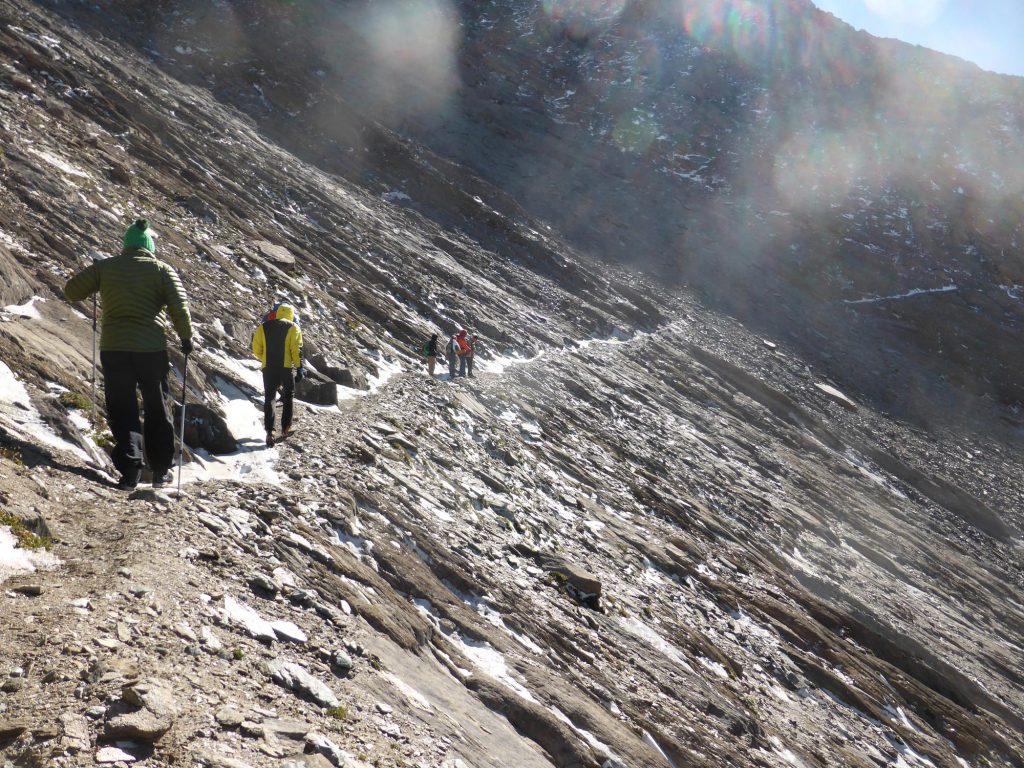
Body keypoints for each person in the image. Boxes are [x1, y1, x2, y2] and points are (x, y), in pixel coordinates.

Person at [64, 219, 194, 490]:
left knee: (123, 409)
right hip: (151, 350)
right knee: (158, 409)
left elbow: (71, 291)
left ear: (126, 245)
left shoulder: (106, 267)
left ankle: (130, 473)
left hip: (115, 349)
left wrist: (101, 280)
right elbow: (179, 307)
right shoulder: (161, 270)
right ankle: (160, 472)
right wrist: (186, 338)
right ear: (149, 247)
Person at [252, 302, 303, 447]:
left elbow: (256, 349)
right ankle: (286, 427)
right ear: (291, 315)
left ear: (277, 312)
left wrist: (265, 359)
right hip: (285, 368)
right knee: (288, 396)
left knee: (270, 397)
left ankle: (270, 432)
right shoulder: (294, 327)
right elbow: (297, 350)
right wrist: (299, 368)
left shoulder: (264, 326)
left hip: (268, 368)